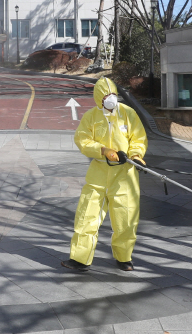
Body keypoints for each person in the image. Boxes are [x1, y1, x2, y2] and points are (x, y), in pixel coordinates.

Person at [62, 77, 148, 272]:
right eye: (106, 95)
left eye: (113, 95)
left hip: (124, 175)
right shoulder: (91, 117)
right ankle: (80, 258)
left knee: (126, 219)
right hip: (98, 174)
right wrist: (103, 150)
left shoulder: (128, 114)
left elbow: (138, 137)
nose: (111, 99)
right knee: (86, 217)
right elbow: (82, 140)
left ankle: (124, 257)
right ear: (98, 97)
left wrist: (136, 154)